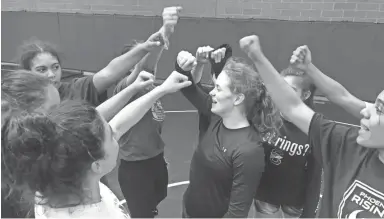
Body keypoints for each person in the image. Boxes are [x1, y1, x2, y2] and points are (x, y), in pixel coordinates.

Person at [1, 71, 192, 218]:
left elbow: (117, 124)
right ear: (97, 164)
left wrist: (161, 89)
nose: (115, 133)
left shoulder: (52, 178)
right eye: (110, 136)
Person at [239, 35, 384, 218]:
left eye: (379, 109)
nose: (365, 111)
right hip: (270, 195)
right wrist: (258, 57)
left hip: (295, 201)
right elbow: (298, 106)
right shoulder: (346, 144)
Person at [175, 51, 283, 218]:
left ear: (237, 99)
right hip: (189, 210)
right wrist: (182, 66)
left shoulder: (248, 151)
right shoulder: (215, 115)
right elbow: (187, 87)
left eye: (218, 88)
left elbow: (237, 213)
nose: (211, 92)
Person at [15, 6, 181, 109]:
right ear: (27, 73)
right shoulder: (18, 106)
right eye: (42, 70)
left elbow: (108, 73)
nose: (51, 74)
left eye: (55, 67)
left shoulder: (74, 90)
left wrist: (146, 47)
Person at [254, 67, 322, 218]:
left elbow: (315, 176)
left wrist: (309, 213)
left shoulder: (313, 128)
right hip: (266, 195)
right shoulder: (266, 115)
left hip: (295, 201)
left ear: (305, 94)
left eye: (289, 89)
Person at [191, 44, 232, 140]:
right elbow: (192, 85)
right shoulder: (208, 96)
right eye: (218, 75)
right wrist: (199, 63)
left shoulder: (240, 98)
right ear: (212, 76)